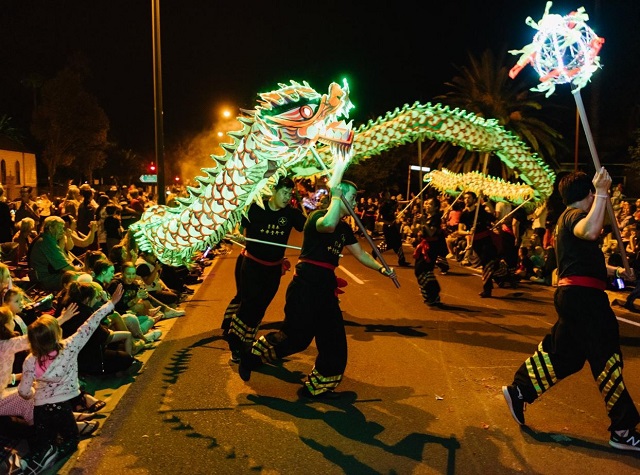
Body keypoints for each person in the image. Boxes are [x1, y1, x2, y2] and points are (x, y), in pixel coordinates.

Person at [502, 168, 640, 452]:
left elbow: (590, 263)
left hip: (576, 296)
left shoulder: (567, 221)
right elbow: (590, 231)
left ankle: (521, 389)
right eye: (593, 194)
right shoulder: (576, 217)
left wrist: (618, 275)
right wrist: (602, 191)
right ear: (587, 195)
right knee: (607, 359)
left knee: (564, 355)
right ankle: (623, 430)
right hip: (585, 300)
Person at [238, 180, 397, 399]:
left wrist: (381, 268)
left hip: (325, 290)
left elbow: (361, 254)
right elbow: (328, 225)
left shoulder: (344, 228)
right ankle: (251, 357)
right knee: (296, 339)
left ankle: (317, 387)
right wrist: (337, 197)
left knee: (334, 341)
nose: (354, 201)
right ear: (338, 197)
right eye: (350, 197)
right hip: (305, 288)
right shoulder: (317, 218)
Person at [17, 286, 122, 472]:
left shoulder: (29, 360)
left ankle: (30, 460)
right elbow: (90, 323)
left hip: (41, 409)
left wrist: (33, 390)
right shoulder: (70, 346)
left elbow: (24, 392)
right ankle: (54, 453)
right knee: (71, 440)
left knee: (43, 441)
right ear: (56, 333)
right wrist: (110, 303)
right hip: (62, 407)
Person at [222, 176, 306, 362]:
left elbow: (310, 227)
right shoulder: (255, 208)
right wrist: (238, 236)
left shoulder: (291, 213)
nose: (287, 197)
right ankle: (235, 344)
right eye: (283, 193)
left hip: (273, 269)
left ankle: (248, 342)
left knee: (260, 308)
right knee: (248, 306)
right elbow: (237, 229)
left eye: (290, 194)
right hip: (251, 266)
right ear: (273, 191)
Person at [458, 192, 498, 297]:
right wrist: (468, 232)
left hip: (486, 240)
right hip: (475, 242)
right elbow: (460, 230)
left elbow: (493, 217)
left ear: (474, 199)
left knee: (486, 262)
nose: (466, 200)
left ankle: (487, 289)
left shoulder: (480, 211)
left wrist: (486, 203)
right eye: (465, 198)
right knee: (486, 263)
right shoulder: (464, 215)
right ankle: (498, 277)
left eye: (469, 198)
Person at [28, 216, 82, 291]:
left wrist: (62, 243)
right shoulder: (47, 242)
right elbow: (67, 268)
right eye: (60, 228)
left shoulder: (46, 239)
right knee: (80, 279)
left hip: (47, 276)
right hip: (46, 279)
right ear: (50, 228)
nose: (63, 232)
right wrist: (82, 271)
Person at [413, 197, 446, 306]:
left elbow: (431, 233)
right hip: (424, 245)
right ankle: (430, 295)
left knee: (423, 269)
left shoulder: (436, 218)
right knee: (419, 270)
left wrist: (424, 223)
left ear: (436, 207)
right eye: (426, 204)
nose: (426, 206)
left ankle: (434, 292)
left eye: (430, 204)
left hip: (432, 247)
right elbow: (418, 231)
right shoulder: (427, 217)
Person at [377, 191, 410, 267]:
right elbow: (378, 219)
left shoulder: (392, 202)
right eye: (387, 194)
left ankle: (402, 260)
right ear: (384, 196)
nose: (389, 195)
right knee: (391, 244)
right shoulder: (383, 206)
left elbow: (399, 202)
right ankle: (376, 251)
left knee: (398, 242)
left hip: (393, 226)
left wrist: (409, 201)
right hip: (387, 227)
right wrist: (388, 222)